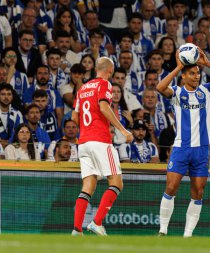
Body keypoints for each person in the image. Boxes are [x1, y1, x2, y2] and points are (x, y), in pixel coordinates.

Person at [156, 47, 210, 237]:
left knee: (198, 192)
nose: (196, 76)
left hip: (201, 150)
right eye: (192, 73)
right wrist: (177, 67)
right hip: (181, 148)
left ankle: (188, 235)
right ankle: (163, 230)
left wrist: (207, 63)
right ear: (184, 76)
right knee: (171, 188)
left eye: (197, 73)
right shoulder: (176, 92)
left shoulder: (207, 91)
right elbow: (159, 87)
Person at [71, 57, 133, 236]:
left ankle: (77, 229)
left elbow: (75, 118)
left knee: (88, 185)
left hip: (83, 143)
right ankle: (97, 222)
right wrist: (122, 130)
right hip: (100, 140)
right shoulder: (104, 84)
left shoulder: (82, 89)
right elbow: (104, 107)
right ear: (110, 71)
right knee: (116, 183)